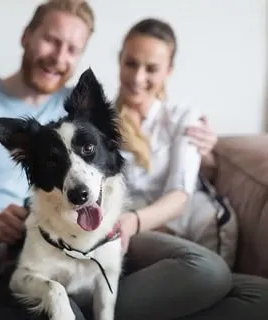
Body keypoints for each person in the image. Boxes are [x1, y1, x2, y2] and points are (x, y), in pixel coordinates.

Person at [0, 2, 223, 320]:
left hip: (35, 259)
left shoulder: (76, 113)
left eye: (72, 49)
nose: (58, 57)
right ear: (26, 36)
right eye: (51, 40)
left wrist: (206, 152)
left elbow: (121, 144)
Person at [114, 17, 268, 319]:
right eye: (131, 63)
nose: (138, 77)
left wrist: (134, 220)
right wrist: (129, 224)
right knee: (207, 272)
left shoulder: (183, 118)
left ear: (168, 72)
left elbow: (179, 195)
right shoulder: (98, 122)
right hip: (131, 238)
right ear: (119, 60)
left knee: (262, 295)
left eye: (152, 68)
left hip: (163, 232)